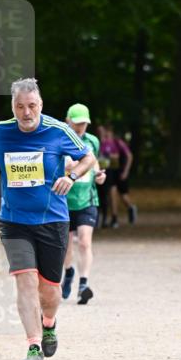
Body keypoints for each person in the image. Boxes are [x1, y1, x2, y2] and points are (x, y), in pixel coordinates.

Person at [0, 79, 96, 360]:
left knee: (50, 290)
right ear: (12, 106)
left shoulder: (58, 131)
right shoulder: (0, 131)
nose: (26, 113)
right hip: (14, 220)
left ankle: (49, 323)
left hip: (52, 219)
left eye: (32, 106)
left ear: (40, 105)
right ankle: (33, 345)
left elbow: (87, 157)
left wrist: (72, 176)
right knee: (25, 280)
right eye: (19, 107)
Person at [61, 104, 106, 305]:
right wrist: (67, 167)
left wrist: (99, 176)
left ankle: (83, 285)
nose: (81, 128)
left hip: (87, 199)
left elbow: (94, 163)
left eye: (84, 124)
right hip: (63, 200)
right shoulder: (59, 139)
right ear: (67, 121)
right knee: (65, 246)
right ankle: (68, 272)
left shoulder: (92, 141)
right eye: (77, 123)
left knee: (85, 242)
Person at [99, 123, 137, 228]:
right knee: (112, 193)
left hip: (119, 171)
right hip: (109, 172)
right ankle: (114, 218)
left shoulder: (117, 142)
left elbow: (129, 156)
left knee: (123, 195)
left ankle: (130, 207)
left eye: (105, 131)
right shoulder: (101, 143)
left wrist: (126, 171)